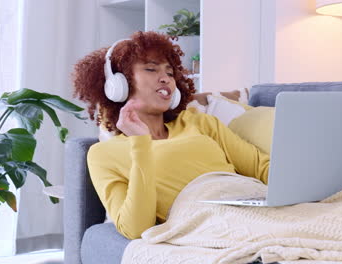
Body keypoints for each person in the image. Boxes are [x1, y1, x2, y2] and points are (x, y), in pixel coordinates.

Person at [72, 31, 270, 240]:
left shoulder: (199, 122)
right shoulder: (103, 154)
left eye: (169, 72)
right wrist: (141, 144)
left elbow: (260, 168)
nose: (165, 78)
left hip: (254, 210)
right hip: (208, 226)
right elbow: (136, 228)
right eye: (151, 69)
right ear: (119, 85)